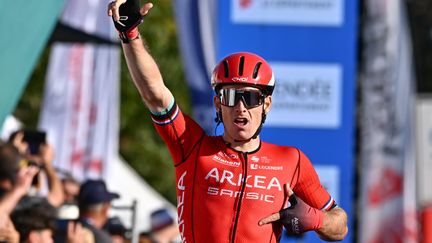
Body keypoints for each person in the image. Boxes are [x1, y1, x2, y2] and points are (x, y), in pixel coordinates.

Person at [107, 1, 348, 242]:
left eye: (250, 97)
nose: (240, 107)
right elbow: (156, 95)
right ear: (218, 105)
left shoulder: (292, 160)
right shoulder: (192, 147)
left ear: (266, 105)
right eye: (231, 96)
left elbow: (340, 225)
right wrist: (130, 36)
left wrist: (316, 219)